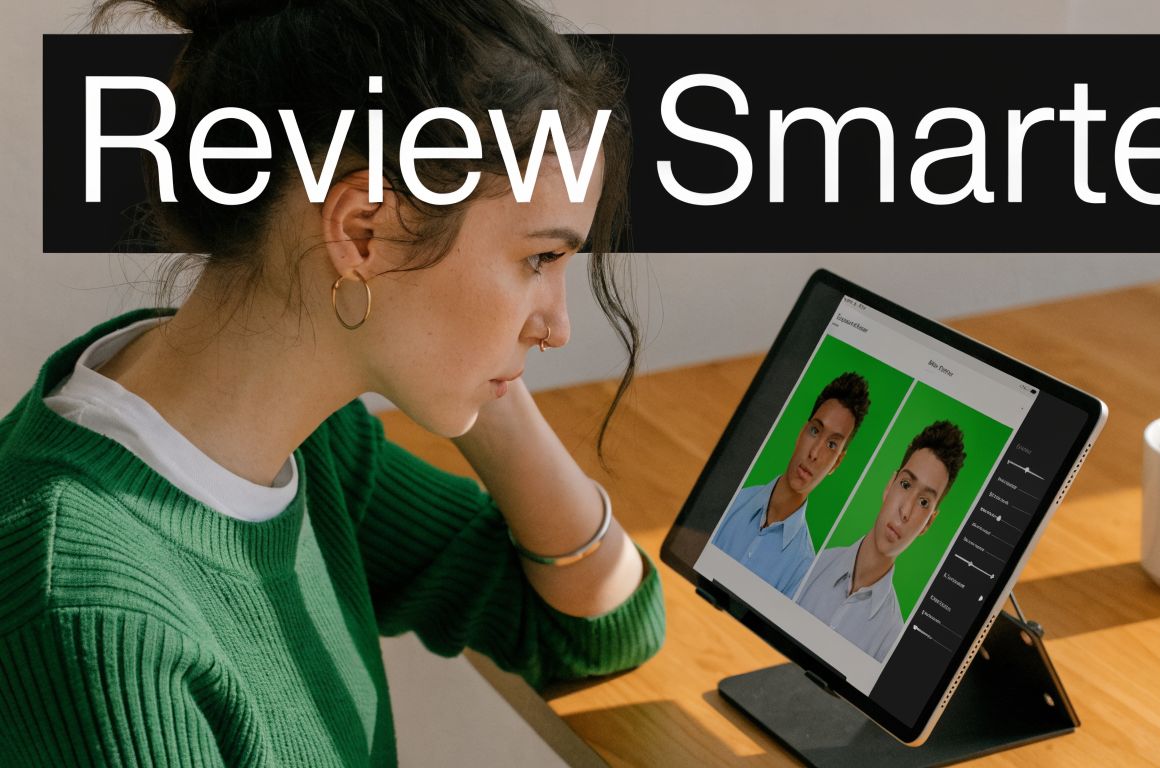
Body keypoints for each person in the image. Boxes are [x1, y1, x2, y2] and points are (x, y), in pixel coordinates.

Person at [0, 0, 665, 764]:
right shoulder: (89, 609)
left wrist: (486, 376)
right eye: (538, 259)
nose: (556, 326)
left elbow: (599, 625)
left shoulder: (304, 441)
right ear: (362, 230)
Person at [795, 420, 966, 660]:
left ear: (928, 523)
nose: (905, 511)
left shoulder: (892, 639)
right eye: (905, 485)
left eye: (923, 502)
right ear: (889, 486)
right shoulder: (810, 564)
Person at [710, 372, 871, 597]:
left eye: (832, 445)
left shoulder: (803, 569)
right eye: (815, 431)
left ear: (837, 463)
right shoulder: (728, 500)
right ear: (801, 433)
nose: (814, 453)